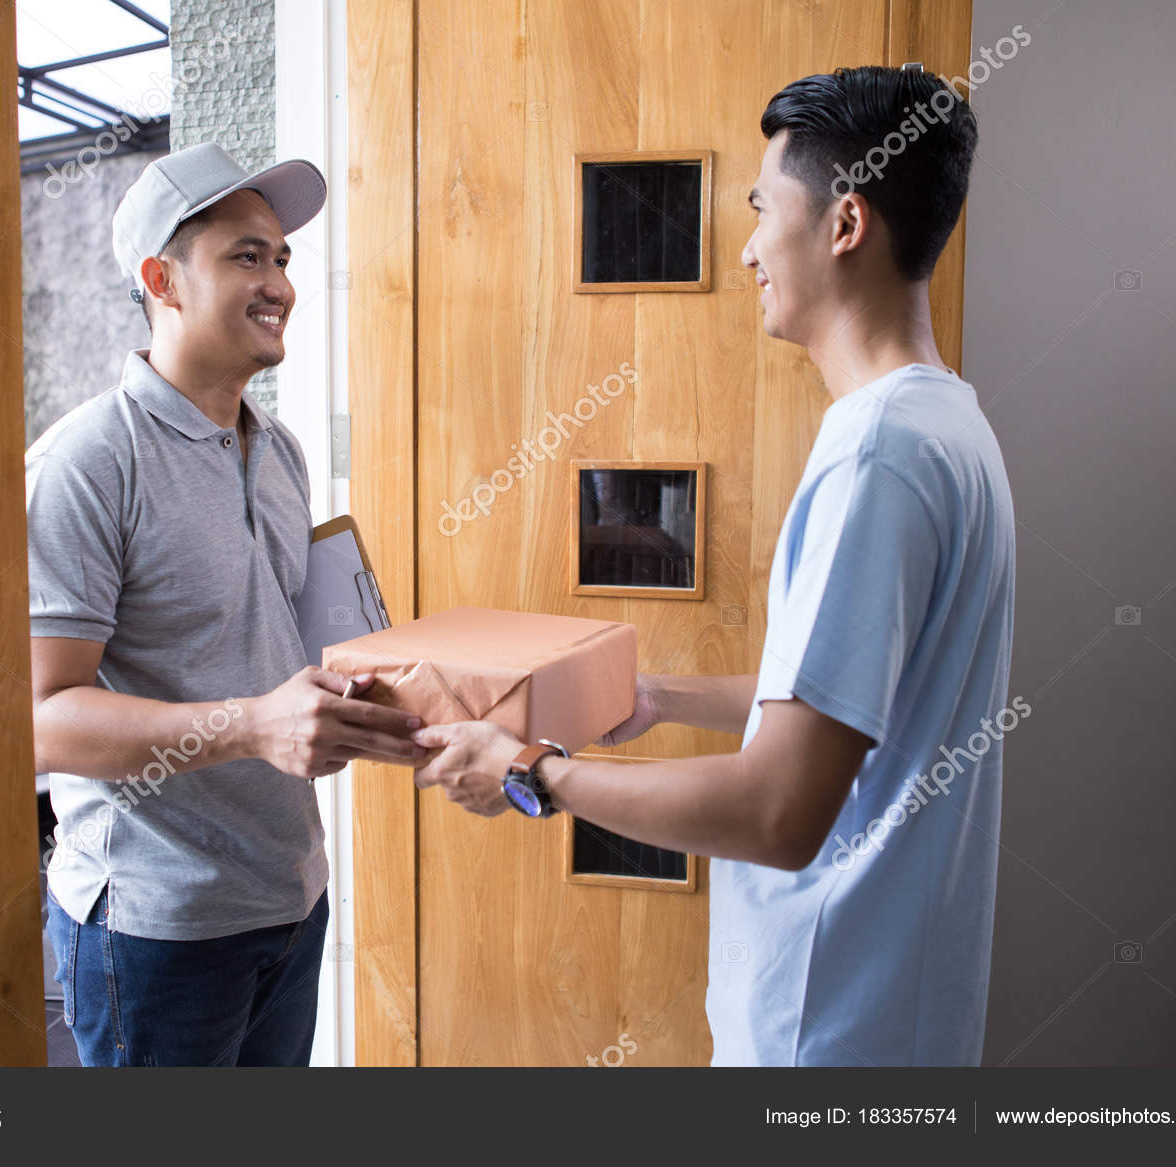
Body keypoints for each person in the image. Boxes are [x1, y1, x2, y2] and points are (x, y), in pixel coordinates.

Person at [412, 66, 1015, 1067]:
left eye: (760, 209)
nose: (744, 249)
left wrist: (533, 772)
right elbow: (837, 704)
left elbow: (777, 812)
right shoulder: (947, 422)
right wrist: (657, 696)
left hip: (827, 1027)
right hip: (896, 1008)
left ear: (844, 223)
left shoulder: (878, 455)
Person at [27, 144, 422, 1067]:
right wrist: (253, 726)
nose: (279, 280)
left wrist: (383, 696)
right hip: (159, 927)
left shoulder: (276, 449)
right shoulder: (88, 462)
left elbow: (297, 645)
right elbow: (41, 720)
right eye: (247, 256)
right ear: (161, 279)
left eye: (282, 258)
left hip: (289, 898)